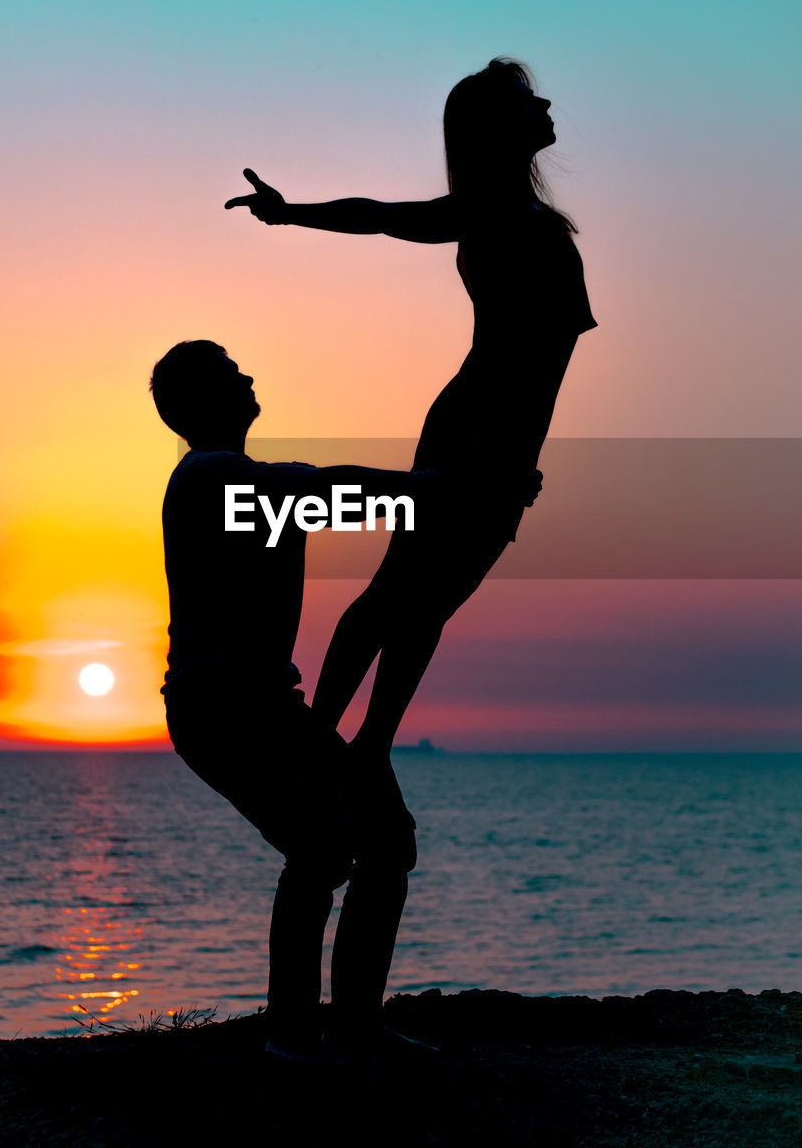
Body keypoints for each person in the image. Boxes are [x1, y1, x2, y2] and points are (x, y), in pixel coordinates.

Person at [225, 56, 597, 767]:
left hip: (501, 440)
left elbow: (547, 373)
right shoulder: (487, 209)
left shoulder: (535, 219)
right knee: (397, 593)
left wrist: (523, 458)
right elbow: (383, 218)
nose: (544, 104)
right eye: (525, 100)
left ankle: (368, 747)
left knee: (429, 604)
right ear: (492, 128)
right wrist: (288, 211)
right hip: (473, 430)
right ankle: (319, 738)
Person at [151, 340, 514, 1058]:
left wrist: (464, 493)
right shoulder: (212, 476)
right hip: (221, 709)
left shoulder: (242, 488)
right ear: (200, 401)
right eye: (230, 372)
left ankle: (350, 1024)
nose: (249, 374)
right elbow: (331, 488)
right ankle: (293, 1033)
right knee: (323, 848)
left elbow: (350, 503)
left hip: (259, 705)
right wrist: (445, 485)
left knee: (379, 840)